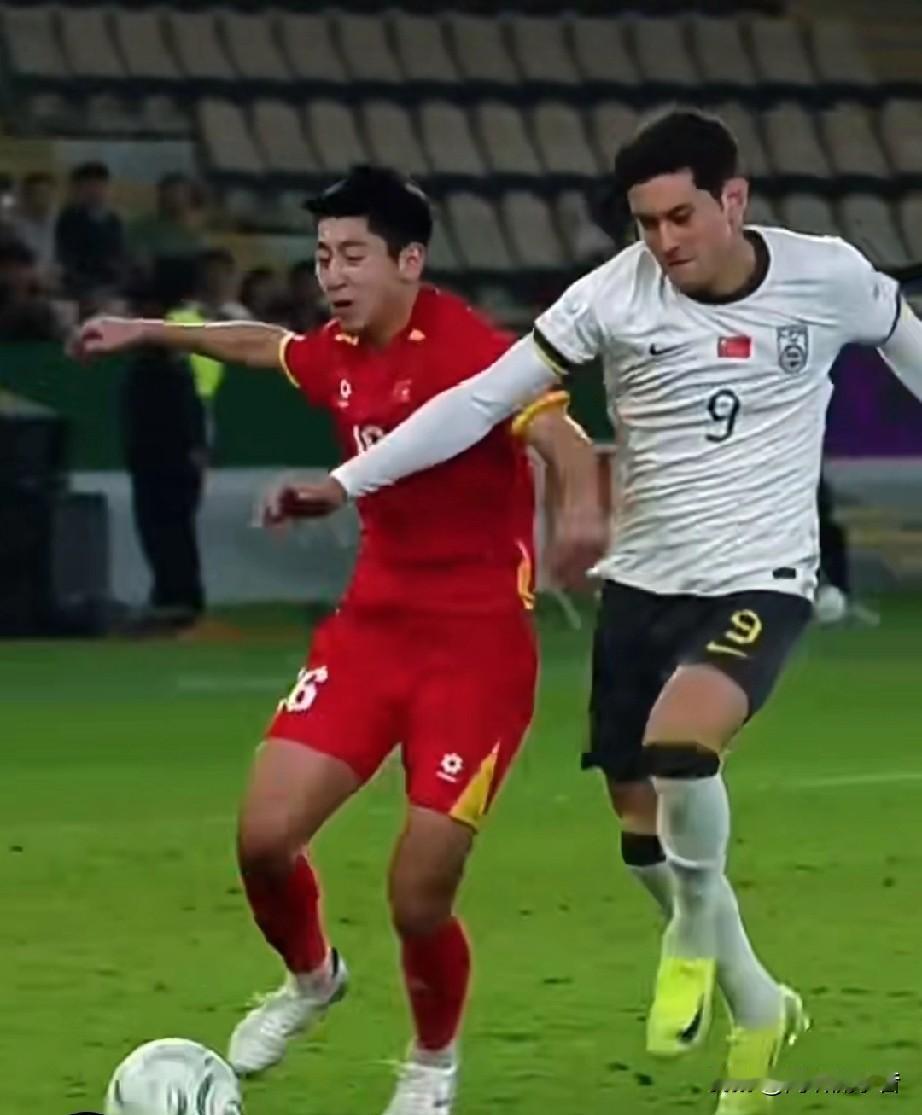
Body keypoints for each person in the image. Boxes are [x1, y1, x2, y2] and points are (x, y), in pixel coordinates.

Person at [279, 112, 922, 1113]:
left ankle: (691, 931)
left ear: (733, 200)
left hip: (760, 575)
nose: (664, 241)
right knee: (636, 827)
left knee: (682, 748)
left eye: (681, 217)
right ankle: (759, 1002)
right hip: (644, 582)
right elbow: (479, 402)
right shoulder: (611, 296)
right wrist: (347, 479)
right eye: (645, 222)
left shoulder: (826, 274)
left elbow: (908, 345)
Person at [69, 165, 602, 1115]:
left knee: (418, 893)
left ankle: (431, 1063)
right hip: (371, 632)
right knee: (264, 839)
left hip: (476, 652)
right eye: (322, 257)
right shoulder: (342, 350)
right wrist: (146, 330)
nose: (333, 275)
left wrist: (582, 517)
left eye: (353, 255)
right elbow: (265, 345)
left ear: (409, 260)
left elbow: (565, 442)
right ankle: (313, 976)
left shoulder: (473, 350)